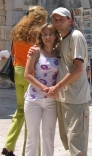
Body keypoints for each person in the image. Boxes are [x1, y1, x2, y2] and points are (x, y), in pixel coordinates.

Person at [2, 5, 48, 156]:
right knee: (32, 115)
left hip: (17, 71)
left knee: (21, 110)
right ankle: (30, 153)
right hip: (31, 73)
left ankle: (8, 145)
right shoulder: (37, 33)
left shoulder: (17, 31)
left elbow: (13, 52)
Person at [47, 7, 90, 156]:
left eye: (61, 20)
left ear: (70, 21)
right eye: (55, 20)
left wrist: (57, 87)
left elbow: (77, 68)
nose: (58, 23)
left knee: (77, 141)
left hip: (76, 97)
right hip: (63, 97)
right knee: (68, 139)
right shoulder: (59, 39)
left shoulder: (76, 36)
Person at [24, 23, 60, 156]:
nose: (48, 37)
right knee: (32, 136)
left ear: (55, 36)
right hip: (34, 99)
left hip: (51, 101)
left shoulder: (58, 53)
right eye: (44, 34)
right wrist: (44, 88)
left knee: (49, 136)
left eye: (50, 34)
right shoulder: (35, 51)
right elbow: (27, 75)